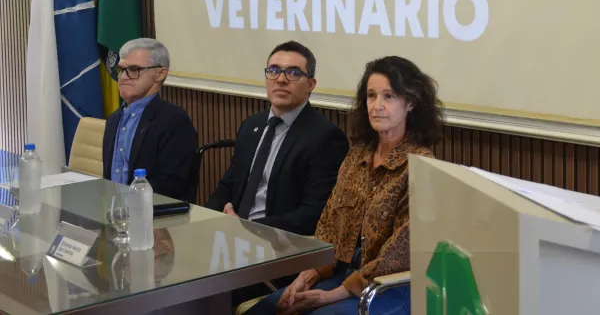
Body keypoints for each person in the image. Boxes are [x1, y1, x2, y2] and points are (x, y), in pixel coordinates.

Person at [244, 56, 444, 315]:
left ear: (411, 103)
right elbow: (329, 224)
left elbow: (398, 256)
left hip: (385, 287)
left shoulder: (421, 167)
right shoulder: (356, 157)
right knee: (267, 310)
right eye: (371, 96)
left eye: (389, 96)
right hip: (339, 273)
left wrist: (329, 296)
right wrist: (307, 276)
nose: (377, 106)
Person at [205, 41, 348, 236]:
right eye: (273, 71)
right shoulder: (251, 125)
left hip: (279, 242)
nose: (280, 80)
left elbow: (313, 214)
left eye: (293, 73)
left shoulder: (325, 138)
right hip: (231, 235)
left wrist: (247, 228)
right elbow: (227, 186)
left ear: (310, 85)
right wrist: (207, 220)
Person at [102, 38, 198, 201]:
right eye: (121, 70)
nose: (123, 77)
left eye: (134, 70)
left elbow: (172, 184)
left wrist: (129, 202)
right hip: (114, 210)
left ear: (160, 74)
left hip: (153, 211)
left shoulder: (174, 121)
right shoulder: (114, 119)